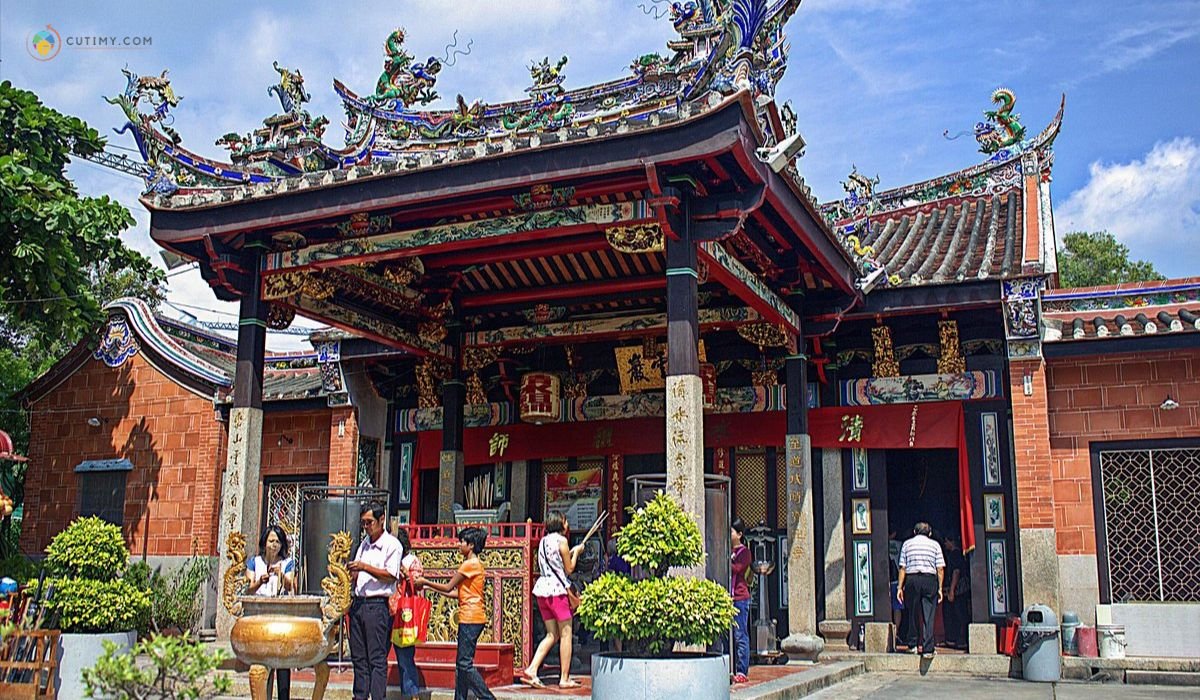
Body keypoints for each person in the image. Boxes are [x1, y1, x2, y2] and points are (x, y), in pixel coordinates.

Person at [416, 527, 496, 700]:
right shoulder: (475, 564)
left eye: (462, 542)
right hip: (472, 616)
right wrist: (430, 587)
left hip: (470, 617)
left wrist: (425, 581)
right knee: (461, 665)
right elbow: (457, 593)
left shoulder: (470, 564)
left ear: (472, 545)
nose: (459, 545)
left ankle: (487, 697)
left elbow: (447, 587)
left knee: (464, 664)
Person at [520, 512, 584, 689]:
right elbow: (569, 568)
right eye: (566, 520)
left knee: (552, 634)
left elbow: (554, 563)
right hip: (558, 591)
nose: (567, 523)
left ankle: (532, 669)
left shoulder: (543, 541)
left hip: (543, 591)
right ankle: (564, 678)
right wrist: (577, 552)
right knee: (565, 634)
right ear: (561, 523)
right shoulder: (562, 541)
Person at [347, 503, 402, 700]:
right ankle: (360, 695)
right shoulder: (364, 544)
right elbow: (358, 572)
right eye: (363, 523)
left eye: (370, 522)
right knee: (359, 657)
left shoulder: (392, 545)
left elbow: (390, 575)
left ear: (381, 520)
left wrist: (364, 566)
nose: (367, 527)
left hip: (377, 604)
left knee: (377, 658)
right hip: (359, 603)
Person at [247, 525, 297, 700]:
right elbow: (248, 588)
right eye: (271, 541)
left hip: (281, 613)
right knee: (262, 662)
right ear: (264, 542)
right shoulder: (255, 562)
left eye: (278, 541)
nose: (274, 545)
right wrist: (261, 581)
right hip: (260, 614)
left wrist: (281, 575)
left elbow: (291, 585)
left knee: (283, 661)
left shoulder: (287, 562)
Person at [896, 521, 945, 659]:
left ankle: (912, 645)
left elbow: (903, 568)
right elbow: (940, 568)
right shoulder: (935, 545)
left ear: (914, 532)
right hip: (929, 579)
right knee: (928, 615)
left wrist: (900, 587)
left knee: (911, 612)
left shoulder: (907, 544)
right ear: (929, 533)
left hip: (912, 579)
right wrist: (940, 588)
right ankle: (928, 648)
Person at [391, 527, 424, 700]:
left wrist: (405, 575)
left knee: (405, 657)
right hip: (386, 609)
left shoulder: (411, 561)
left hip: (404, 612)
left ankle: (411, 694)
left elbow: (418, 584)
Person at [729, 519, 752, 684]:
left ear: (739, 534)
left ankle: (742, 670)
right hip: (728, 597)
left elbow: (738, 568)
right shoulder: (728, 549)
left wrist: (726, 559)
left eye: (732, 532)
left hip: (740, 598)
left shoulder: (744, 552)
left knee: (740, 634)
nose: (729, 535)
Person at [942, 535, 970, 649]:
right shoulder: (958, 554)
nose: (945, 543)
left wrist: (952, 590)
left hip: (958, 590)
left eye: (946, 540)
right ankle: (955, 639)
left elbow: (956, 572)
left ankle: (959, 639)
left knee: (957, 614)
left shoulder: (955, 555)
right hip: (959, 590)